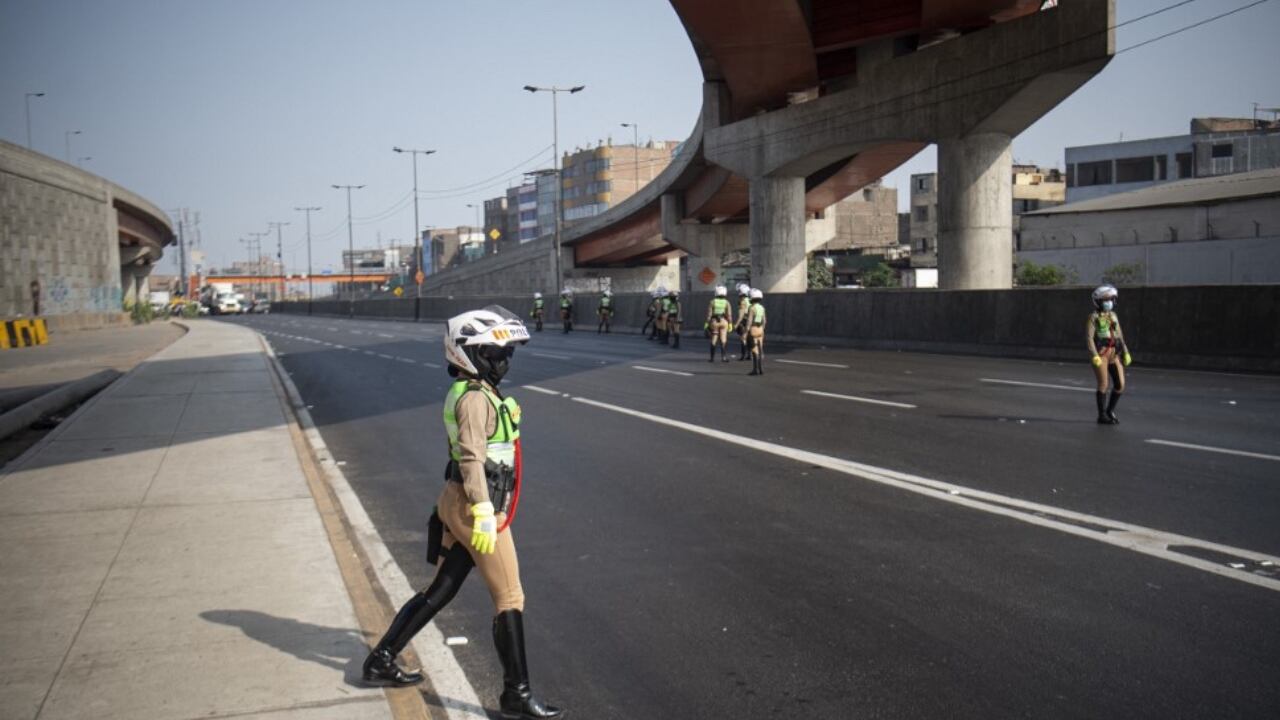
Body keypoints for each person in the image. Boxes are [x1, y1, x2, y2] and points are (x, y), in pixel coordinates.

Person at [362, 306, 563, 720]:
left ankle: (381, 658)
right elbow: (472, 458)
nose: (504, 361)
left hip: (460, 501)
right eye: (494, 353)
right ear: (468, 354)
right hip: (477, 507)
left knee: (441, 590)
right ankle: (516, 695)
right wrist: (486, 513)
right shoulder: (473, 398)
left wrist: (508, 418)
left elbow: (489, 445)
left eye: (506, 353)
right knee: (510, 596)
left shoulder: (477, 393)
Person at [1088, 284, 1132, 425]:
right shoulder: (1093, 317)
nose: (1109, 302)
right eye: (1106, 300)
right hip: (1101, 354)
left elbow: (1119, 335)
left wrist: (1125, 351)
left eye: (1111, 299)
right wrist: (1094, 355)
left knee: (1120, 384)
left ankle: (1109, 410)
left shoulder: (1113, 316)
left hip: (1115, 353)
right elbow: (1089, 338)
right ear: (1099, 301)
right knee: (1104, 384)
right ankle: (1102, 416)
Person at [704, 285, 732, 362]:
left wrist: (706, 323)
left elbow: (709, 314)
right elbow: (729, 315)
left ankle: (712, 358)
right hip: (724, 321)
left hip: (714, 322)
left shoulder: (712, 302)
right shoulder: (727, 302)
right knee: (723, 339)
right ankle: (724, 357)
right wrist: (730, 324)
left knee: (714, 339)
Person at [746, 288, 766, 376]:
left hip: (753, 329)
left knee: (755, 351)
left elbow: (749, 321)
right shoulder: (762, 308)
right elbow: (765, 321)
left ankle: (755, 369)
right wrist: (762, 329)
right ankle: (761, 369)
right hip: (760, 329)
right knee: (760, 349)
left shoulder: (752, 308)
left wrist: (745, 332)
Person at [734, 283, 752, 361]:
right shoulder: (750, 300)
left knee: (743, 339)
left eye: (739, 292)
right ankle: (750, 355)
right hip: (751, 321)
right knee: (749, 338)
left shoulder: (743, 302)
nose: (738, 294)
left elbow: (741, 315)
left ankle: (743, 356)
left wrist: (736, 324)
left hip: (744, 321)